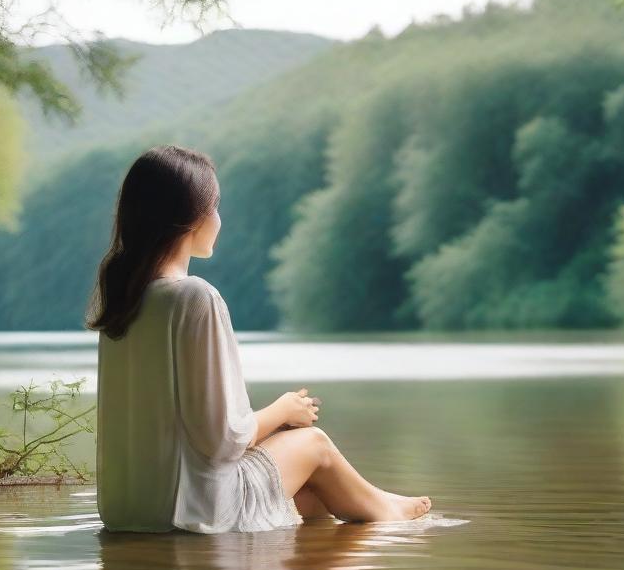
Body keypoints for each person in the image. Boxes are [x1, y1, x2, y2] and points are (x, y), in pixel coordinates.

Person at [86, 143, 433, 534]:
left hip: (129, 511)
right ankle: (385, 514)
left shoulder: (124, 301)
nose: (219, 218)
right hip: (195, 509)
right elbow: (222, 439)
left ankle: (374, 504)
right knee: (313, 443)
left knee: (310, 495)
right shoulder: (194, 297)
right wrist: (283, 411)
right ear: (190, 217)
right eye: (214, 206)